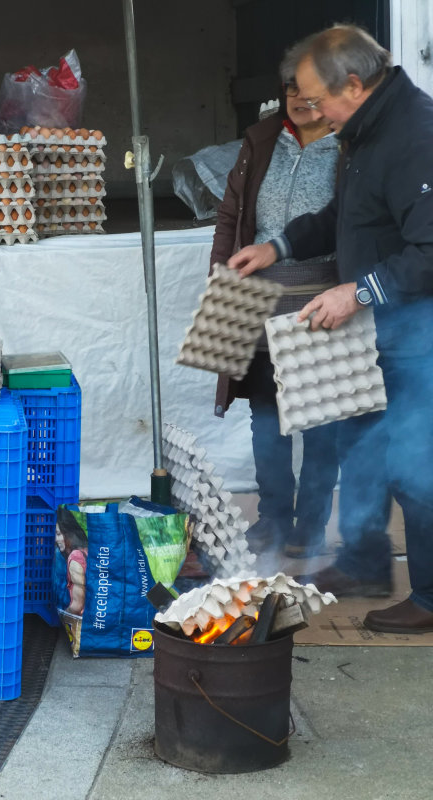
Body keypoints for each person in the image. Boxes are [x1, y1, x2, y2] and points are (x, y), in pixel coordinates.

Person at [228, 24, 433, 634]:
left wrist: (357, 290)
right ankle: (366, 564)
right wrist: (277, 246)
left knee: (414, 464)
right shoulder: (364, 133)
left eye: (318, 100)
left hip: (417, 336)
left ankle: (430, 597)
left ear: (354, 83)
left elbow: (429, 249)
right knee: (361, 450)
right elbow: (343, 216)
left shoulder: (415, 136)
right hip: (377, 333)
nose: (312, 112)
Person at [210, 57, 340, 559]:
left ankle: (311, 523)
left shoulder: (349, 146)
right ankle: (272, 520)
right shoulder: (261, 140)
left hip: (323, 294)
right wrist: (221, 276)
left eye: (312, 90)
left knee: (323, 419)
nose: (301, 100)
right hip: (259, 296)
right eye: (292, 90)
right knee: (267, 412)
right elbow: (230, 215)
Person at [55, 508, 88, 616]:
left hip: (83, 622)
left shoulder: (75, 557)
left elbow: (77, 605)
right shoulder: (86, 550)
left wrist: (63, 615)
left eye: (59, 534)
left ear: (68, 533)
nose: (56, 539)